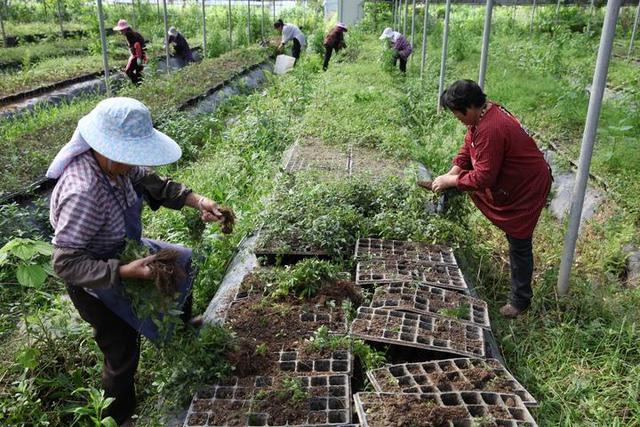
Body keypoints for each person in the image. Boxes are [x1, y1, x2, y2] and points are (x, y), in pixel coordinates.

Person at [47, 97, 231, 425]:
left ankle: (181, 328)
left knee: (183, 261)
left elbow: (156, 185)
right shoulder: (84, 192)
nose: (135, 162)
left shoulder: (120, 165)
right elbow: (66, 264)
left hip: (126, 248)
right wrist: (124, 271)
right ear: (105, 146)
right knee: (121, 351)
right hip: (96, 277)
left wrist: (199, 201)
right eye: (129, 154)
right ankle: (119, 418)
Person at [426, 80, 552, 319]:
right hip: (517, 180)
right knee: (515, 236)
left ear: (471, 107)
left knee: (519, 240)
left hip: (527, 186)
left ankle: (520, 301)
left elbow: (483, 177)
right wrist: (455, 171)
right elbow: (469, 145)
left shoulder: (491, 128)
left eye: (457, 114)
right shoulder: (486, 114)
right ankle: (520, 295)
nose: (458, 119)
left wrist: (453, 182)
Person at [113, 19, 147, 86]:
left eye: (121, 30)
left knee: (128, 71)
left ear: (125, 29)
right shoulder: (133, 33)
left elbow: (137, 45)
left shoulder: (129, 35)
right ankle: (141, 86)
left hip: (138, 55)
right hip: (142, 54)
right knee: (139, 72)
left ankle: (137, 84)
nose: (120, 32)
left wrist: (139, 58)